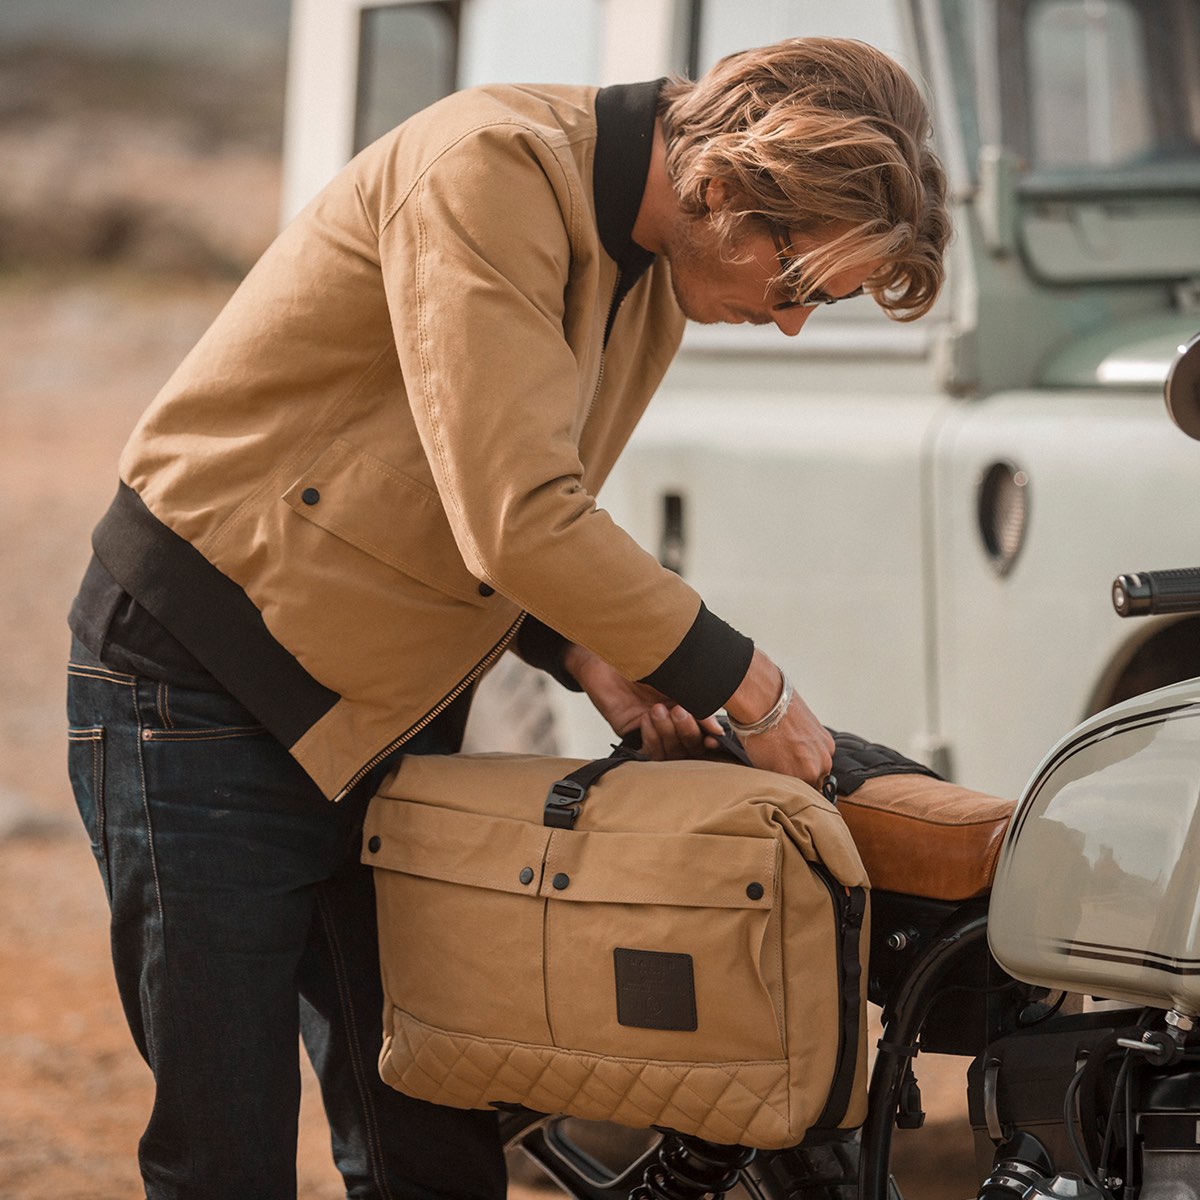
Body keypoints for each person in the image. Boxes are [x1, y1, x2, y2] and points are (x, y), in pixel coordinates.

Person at [66, 35, 949, 1200]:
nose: (786, 323)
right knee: (224, 1155)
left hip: (383, 708)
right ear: (727, 188)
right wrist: (756, 692)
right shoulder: (488, 168)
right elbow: (519, 516)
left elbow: (479, 480)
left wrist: (584, 647)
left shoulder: (662, 259)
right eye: (794, 288)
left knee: (433, 1142)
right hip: (196, 687)